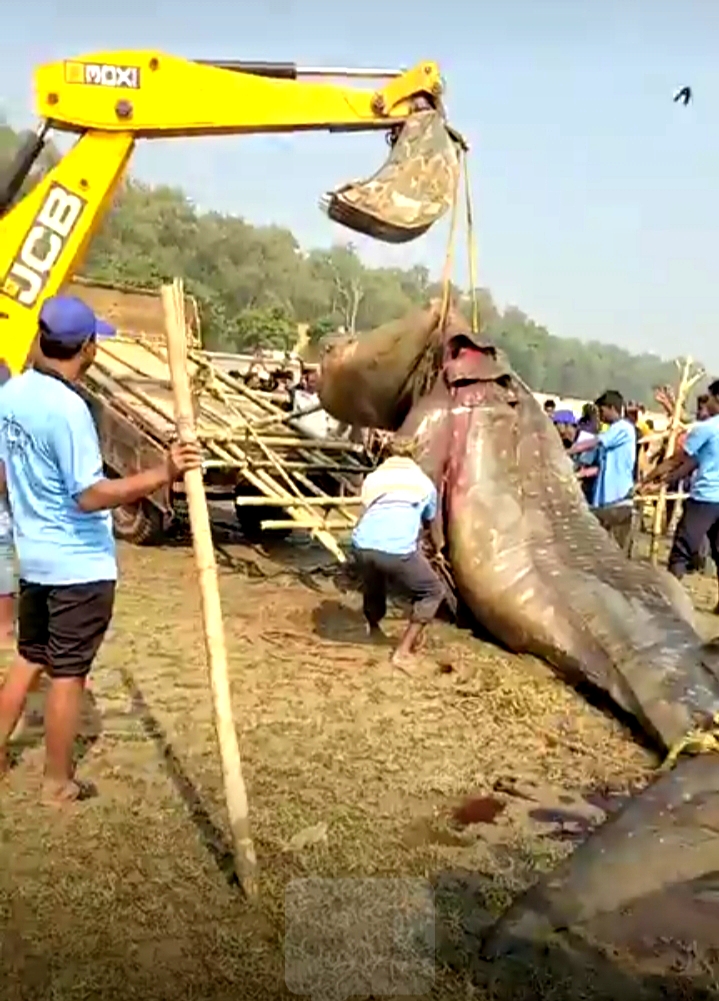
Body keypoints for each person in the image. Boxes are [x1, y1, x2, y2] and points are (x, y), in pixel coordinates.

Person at [0, 295, 202, 804]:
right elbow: (89, 495)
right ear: (87, 348)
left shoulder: (12, 393)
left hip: (38, 559)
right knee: (69, 674)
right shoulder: (70, 409)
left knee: (29, 658)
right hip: (77, 567)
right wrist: (164, 473)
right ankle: (56, 782)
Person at [351, 437, 445, 669]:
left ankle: (373, 628)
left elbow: (370, 508)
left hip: (361, 545)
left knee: (374, 583)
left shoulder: (373, 479)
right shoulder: (424, 484)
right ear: (414, 455)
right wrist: (439, 548)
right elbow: (434, 525)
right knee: (432, 591)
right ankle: (402, 652)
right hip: (396, 549)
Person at [640, 379, 719, 609]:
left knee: (681, 551)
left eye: (711, 398)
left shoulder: (707, 428)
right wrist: (662, 482)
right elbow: (693, 462)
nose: (709, 403)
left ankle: (667, 602)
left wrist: (649, 477)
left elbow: (678, 459)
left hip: (705, 499)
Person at [569, 390, 636, 551]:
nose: (601, 415)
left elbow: (593, 442)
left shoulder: (623, 428)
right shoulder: (611, 433)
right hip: (602, 502)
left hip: (617, 500)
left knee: (614, 552)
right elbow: (599, 468)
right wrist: (577, 475)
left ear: (612, 408)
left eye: (602, 411)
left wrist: (568, 451)